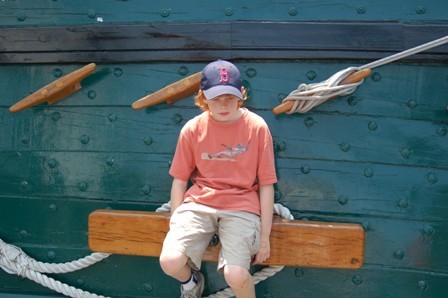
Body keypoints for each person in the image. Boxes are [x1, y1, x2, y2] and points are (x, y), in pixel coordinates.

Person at [159, 60, 277, 298]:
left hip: (241, 206)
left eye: (230, 97)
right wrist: (175, 223)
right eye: (216, 99)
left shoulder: (256, 127)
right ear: (203, 98)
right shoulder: (192, 129)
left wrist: (264, 237)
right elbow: (180, 180)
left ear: (241, 95)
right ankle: (191, 282)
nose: (223, 105)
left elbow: (266, 183)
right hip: (200, 203)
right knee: (170, 261)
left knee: (236, 275)